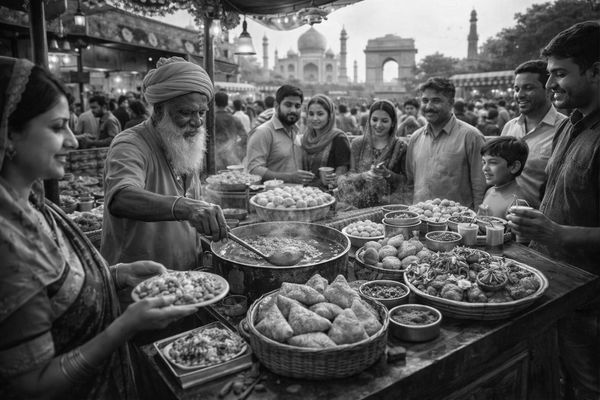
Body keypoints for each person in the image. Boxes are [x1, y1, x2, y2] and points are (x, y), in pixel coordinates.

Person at [0, 56, 197, 400]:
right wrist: (126, 326)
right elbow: (29, 387)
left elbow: (60, 280)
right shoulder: (9, 242)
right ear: (8, 133)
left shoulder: (34, 208)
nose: (74, 141)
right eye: (58, 127)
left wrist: (116, 274)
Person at [507, 21, 600, 400]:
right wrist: (532, 219)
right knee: (553, 375)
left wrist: (558, 233)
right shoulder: (570, 126)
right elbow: (555, 197)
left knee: (590, 382)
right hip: (553, 282)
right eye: (549, 75)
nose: (550, 85)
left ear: (596, 71)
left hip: (590, 298)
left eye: (560, 74)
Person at [101, 56, 227, 270]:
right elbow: (121, 197)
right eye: (185, 113)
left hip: (188, 279)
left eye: (201, 113)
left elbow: (189, 213)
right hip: (140, 284)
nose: (196, 122)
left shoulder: (184, 141)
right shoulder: (129, 144)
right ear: (158, 111)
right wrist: (185, 207)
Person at [407, 77, 486, 210]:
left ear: (451, 103)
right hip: (420, 220)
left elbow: (480, 188)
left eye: (436, 101)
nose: (428, 107)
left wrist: (479, 223)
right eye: (425, 100)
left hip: (457, 224)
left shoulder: (472, 137)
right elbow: (410, 183)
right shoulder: (415, 138)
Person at [501, 59, 566, 208]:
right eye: (517, 89)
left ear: (548, 89)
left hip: (539, 222)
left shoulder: (565, 130)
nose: (520, 95)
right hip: (502, 217)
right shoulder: (509, 127)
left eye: (528, 88)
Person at [338, 99, 409, 207]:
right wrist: (363, 175)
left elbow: (406, 181)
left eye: (384, 121)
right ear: (369, 120)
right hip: (357, 207)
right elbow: (349, 175)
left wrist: (387, 174)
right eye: (374, 119)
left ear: (393, 123)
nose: (378, 125)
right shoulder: (358, 144)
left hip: (388, 207)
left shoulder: (401, 147)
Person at [246, 85, 314, 184]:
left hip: (298, 196)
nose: (293, 110)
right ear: (277, 106)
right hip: (272, 196)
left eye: (297, 106)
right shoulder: (263, 132)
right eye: (288, 105)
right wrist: (289, 177)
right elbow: (254, 170)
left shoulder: (296, 131)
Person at [300, 94, 351, 189]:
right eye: (311, 114)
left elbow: (343, 170)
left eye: (320, 114)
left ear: (330, 116)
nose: (315, 118)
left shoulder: (338, 138)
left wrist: (335, 179)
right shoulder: (305, 138)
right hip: (304, 193)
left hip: (327, 195)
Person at [480, 136, 528, 218]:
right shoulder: (490, 191)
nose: (485, 168)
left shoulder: (517, 203)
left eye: (493, 162)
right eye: (484, 162)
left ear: (514, 167)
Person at [214, 91, 247, 171]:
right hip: (232, 158)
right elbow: (245, 136)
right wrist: (235, 146)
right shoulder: (234, 119)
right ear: (227, 104)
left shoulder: (211, 120)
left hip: (215, 159)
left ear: (214, 103)